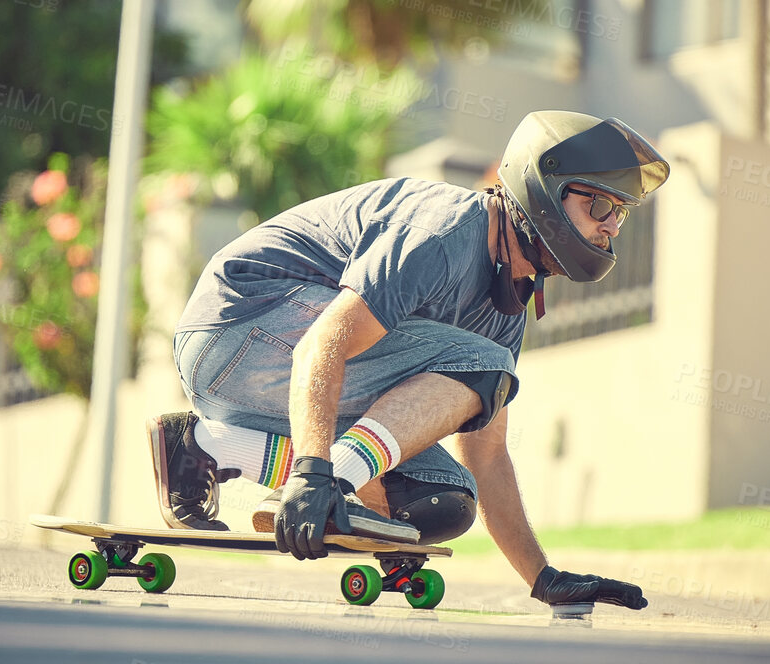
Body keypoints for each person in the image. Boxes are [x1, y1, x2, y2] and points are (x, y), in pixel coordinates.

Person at [148, 110, 670, 611]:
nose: (612, 227)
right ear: (545, 188)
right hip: (239, 328)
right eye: (600, 206)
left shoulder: (506, 304)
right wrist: (313, 475)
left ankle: (205, 446)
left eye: (620, 213)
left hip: (268, 383)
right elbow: (321, 345)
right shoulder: (443, 233)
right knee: (483, 366)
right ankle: (328, 480)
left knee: (443, 500)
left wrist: (544, 578)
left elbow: (484, 456)